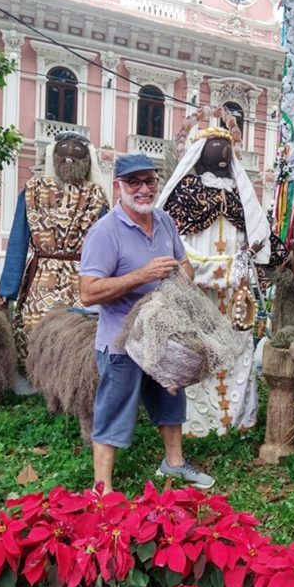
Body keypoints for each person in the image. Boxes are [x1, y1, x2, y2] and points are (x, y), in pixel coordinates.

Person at [79, 153, 213, 494]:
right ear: (119, 186)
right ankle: (102, 487)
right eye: (133, 182)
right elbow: (88, 292)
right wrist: (142, 275)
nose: (143, 189)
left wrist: (180, 277)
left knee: (171, 400)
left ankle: (174, 463)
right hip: (122, 341)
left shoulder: (164, 221)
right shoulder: (105, 232)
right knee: (114, 408)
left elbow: (185, 265)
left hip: (163, 335)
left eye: (149, 181)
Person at [157, 126, 271, 437]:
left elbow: (254, 239)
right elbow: (178, 247)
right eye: (215, 145)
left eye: (226, 145)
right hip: (197, 295)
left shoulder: (239, 196)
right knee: (197, 352)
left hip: (235, 299)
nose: (221, 151)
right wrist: (220, 270)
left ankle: (236, 421)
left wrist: (246, 264)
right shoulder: (184, 194)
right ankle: (198, 424)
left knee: (236, 352)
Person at [0, 131, 108, 361]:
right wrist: (8, 289)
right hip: (43, 276)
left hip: (82, 276)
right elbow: (18, 240)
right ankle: (37, 373)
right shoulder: (33, 191)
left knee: (81, 327)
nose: (69, 156)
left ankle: (72, 377)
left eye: (77, 152)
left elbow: (107, 245)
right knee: (35, 324)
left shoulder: (96, 196)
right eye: (64, 150)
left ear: (87, 159)